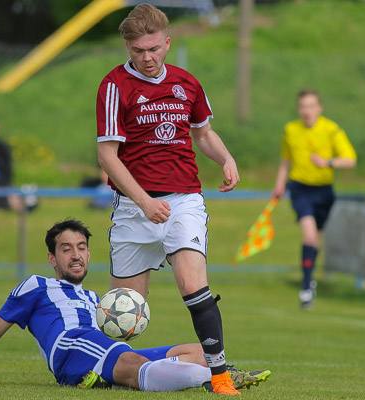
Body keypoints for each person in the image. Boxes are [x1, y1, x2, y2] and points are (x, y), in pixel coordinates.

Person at [0, 218, 270, 392]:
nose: (76, 255)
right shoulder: (36, 286)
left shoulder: (95, 298)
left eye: (81, 247)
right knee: (134, 363)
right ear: (52, 258)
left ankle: (201, 370)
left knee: (196, 349)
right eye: (66, 249)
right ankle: (217, 380)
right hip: (71, 346)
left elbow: (111, 337)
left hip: (97, 348)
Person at [96, 4, 241, 395]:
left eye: (154, 49)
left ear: (167, 43)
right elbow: (107, 155)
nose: (147, 57)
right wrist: (143, 201)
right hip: (134, 207)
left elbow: (204, 133)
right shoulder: (114, 86)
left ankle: (221, 377)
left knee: (193, 284)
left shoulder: (187, 83)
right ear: (127, 46)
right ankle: (105, 371)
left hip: (183, 201)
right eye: (138, 50)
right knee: (121, 311)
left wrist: (225, 158)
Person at [272, 89, 357, 309]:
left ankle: (309, 279)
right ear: (298, 109)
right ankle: (306, 287)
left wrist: (328, 162)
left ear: (319, 108)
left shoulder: (331, 130)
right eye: (302, 106)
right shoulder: (290, 130)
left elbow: (350, 160)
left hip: (324, 192)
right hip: (300, 189)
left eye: (311, 106)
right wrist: (280, 183)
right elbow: (285, 160)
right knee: (309, 236)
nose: (306, 111)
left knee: (315, 240)